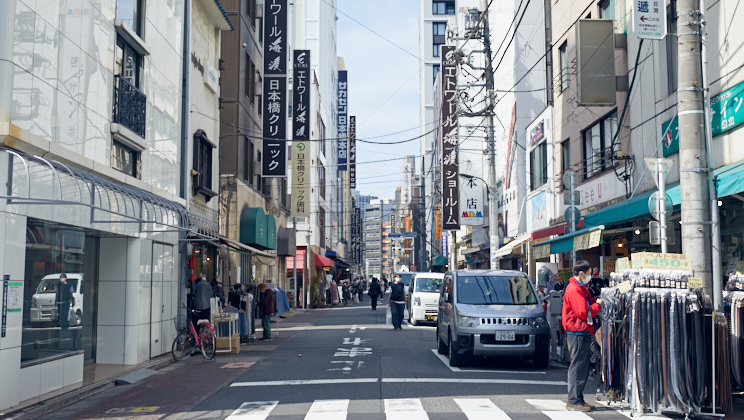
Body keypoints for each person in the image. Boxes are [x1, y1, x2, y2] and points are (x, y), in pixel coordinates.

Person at [562, 260, 604, 412]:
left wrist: (594, 301)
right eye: (589, 273)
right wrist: (598, 305)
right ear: (581, 273)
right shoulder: (575, 289)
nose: (590, 276)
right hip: (578, 330)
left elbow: (584, 307)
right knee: (578, 366)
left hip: (580, 330)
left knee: (581, 365)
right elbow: (583, 312)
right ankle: (573, 399)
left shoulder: (579, 287)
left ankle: (578, 398)